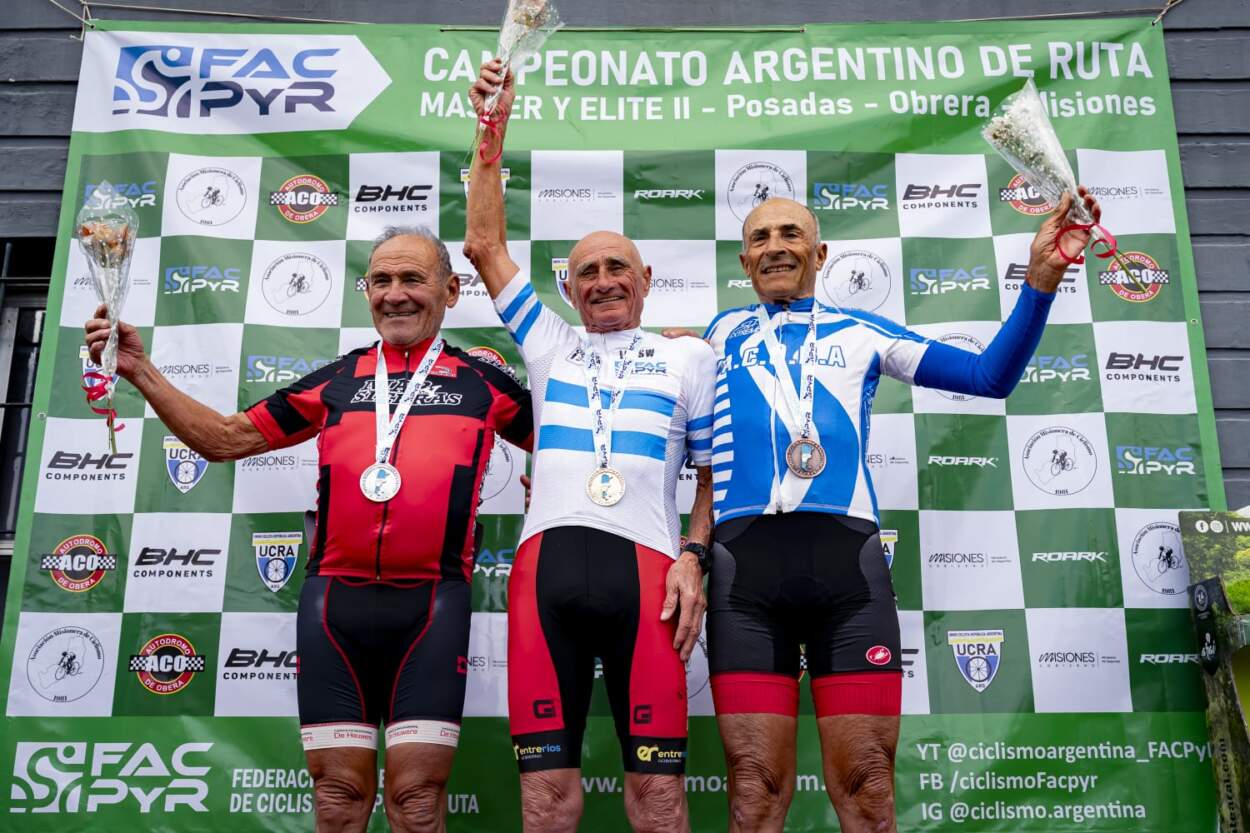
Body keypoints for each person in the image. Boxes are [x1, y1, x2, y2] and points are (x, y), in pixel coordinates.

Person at [673, 190, 1101, 833]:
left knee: (869, 791)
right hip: (745, 582)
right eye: (760, 238)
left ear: (820, 254)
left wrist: (1041, 279)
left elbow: (989, 378)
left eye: (790, 234)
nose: (775, 247)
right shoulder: (715, 336)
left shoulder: (862, 332)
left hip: (848, 578)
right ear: (743, 261)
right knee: (754, 795)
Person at [84, 225, 533, 833]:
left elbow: (572, 447)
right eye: (380, 280)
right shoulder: (338, 381)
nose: (394, 294)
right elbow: (224, 439)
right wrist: (139, 369)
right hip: (334, 609)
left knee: (417, 801)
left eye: (412, 279)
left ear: (450, 291)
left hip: (433, 607)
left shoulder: (483, 385)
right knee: (338, 799)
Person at [463, 60, 717, 833]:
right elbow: (483, 243)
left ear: (646, 278)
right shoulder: (548, 342)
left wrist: (695, 556)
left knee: (658, 798)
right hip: (544, 576)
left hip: (650, 576)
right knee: (545, 799)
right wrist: (490, 125)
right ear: (568, 290)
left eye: (617, 267)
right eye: (586, 272)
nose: (602, 280)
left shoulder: (690, 356)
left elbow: (713, 476)